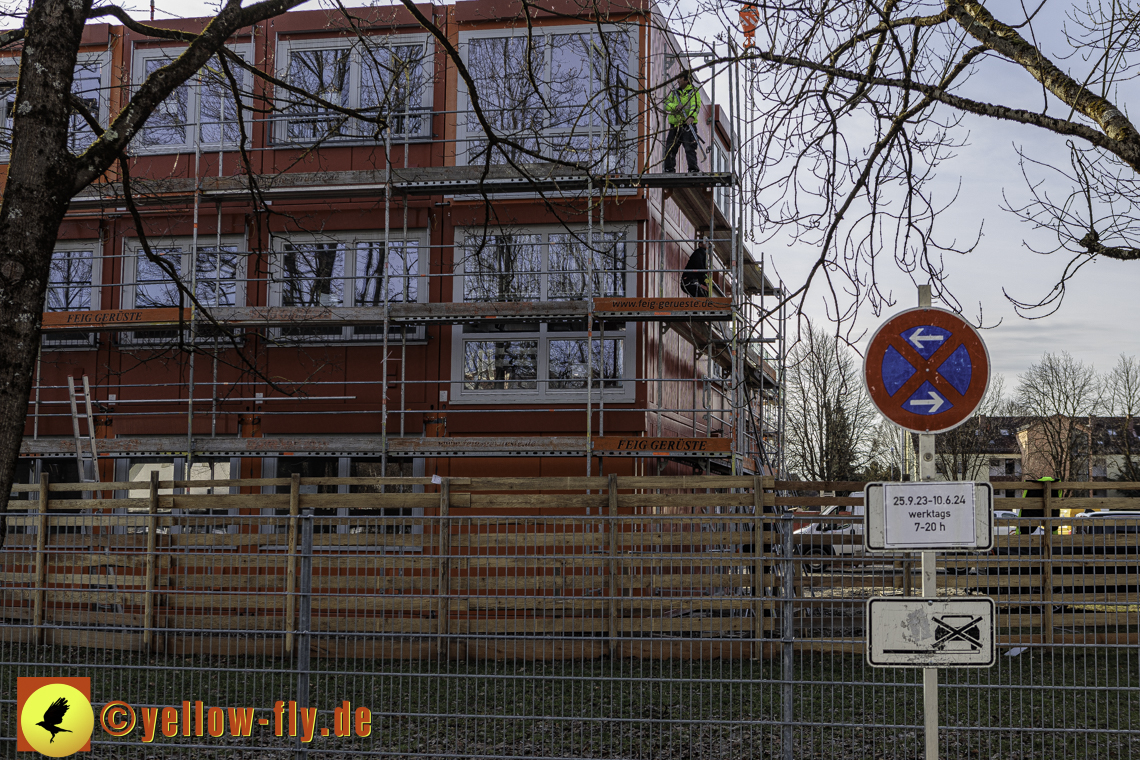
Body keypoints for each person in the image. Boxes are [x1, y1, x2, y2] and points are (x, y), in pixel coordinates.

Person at [664, 70, 702, 173]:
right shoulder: (674, 93)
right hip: (675, 125)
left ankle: (693, 169)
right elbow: (666, 104)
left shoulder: (693, 92)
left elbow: (695, 106)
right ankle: (669, 169)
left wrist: (691, 117)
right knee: (670, 149)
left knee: (689, 148)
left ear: (686, 80)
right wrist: (675, 107)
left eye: (680, 78)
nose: (678, 81)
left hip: (687, 125)